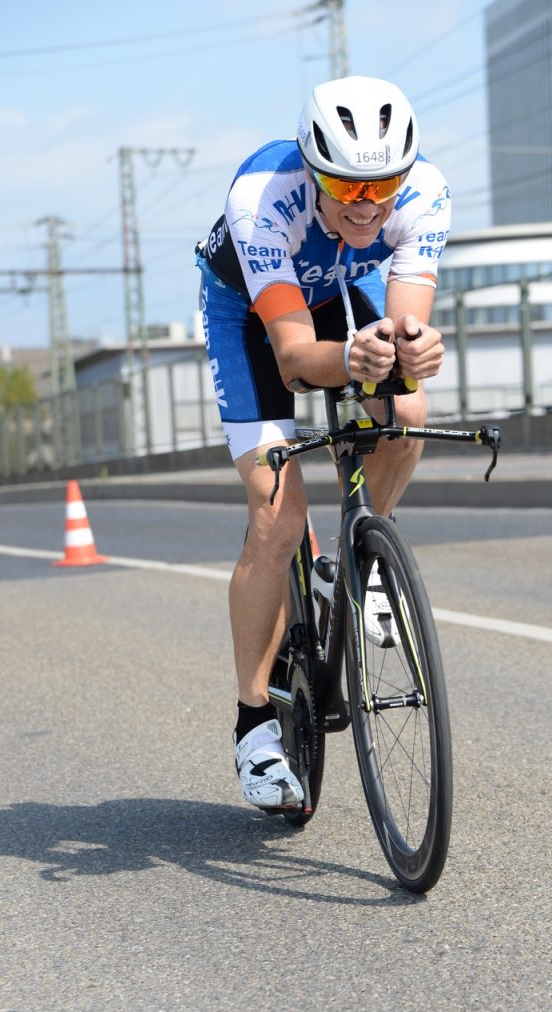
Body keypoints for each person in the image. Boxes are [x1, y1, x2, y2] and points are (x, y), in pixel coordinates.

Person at [196, 75, 450, 811]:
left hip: (335, 295)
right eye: (344, 183)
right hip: (253, 315)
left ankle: (362, 559)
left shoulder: (426, 191)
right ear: (312, 168)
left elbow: (404, 326)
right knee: (276, 514)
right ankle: (252, 728)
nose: (366, 202)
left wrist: (411, 349)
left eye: (383, 184)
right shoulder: (262, 199)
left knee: (405, 405)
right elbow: (292, 358)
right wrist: (347, 361)